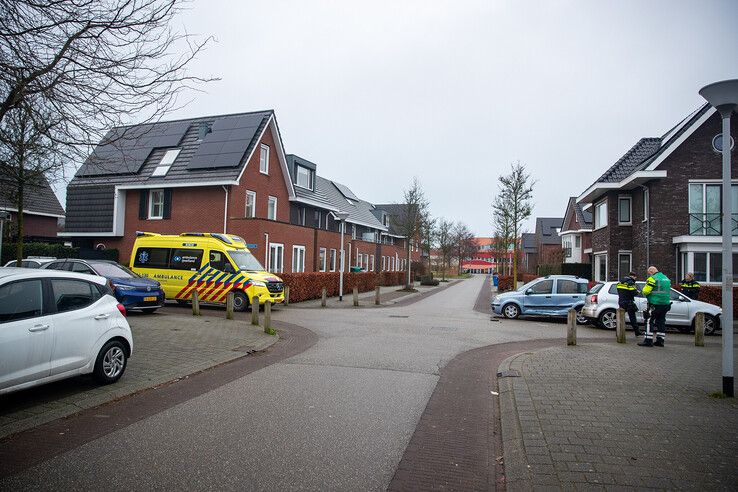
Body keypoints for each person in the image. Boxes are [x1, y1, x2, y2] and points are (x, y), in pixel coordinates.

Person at [639, 266, 671, 347]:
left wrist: (642, 292)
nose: (649, 275)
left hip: (655, 303)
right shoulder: (666, 278)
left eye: (649, 273)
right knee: (661, 321)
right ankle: (660, 340)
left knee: (649, 320)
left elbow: (646, 291)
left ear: (651, 271)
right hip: (665, 304)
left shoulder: (652, 278)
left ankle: (648, 340)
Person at [616, 271, 641, 337]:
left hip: (621, 301)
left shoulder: (620, 282)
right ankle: (637, 332)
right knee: (632, 318)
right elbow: (634, 292)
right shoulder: (630, 282)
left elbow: (619, 291)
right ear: (634, 276)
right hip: (628, 302)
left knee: (620, 318)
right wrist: (638, 292)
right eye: (635, 277)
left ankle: (618, 332)